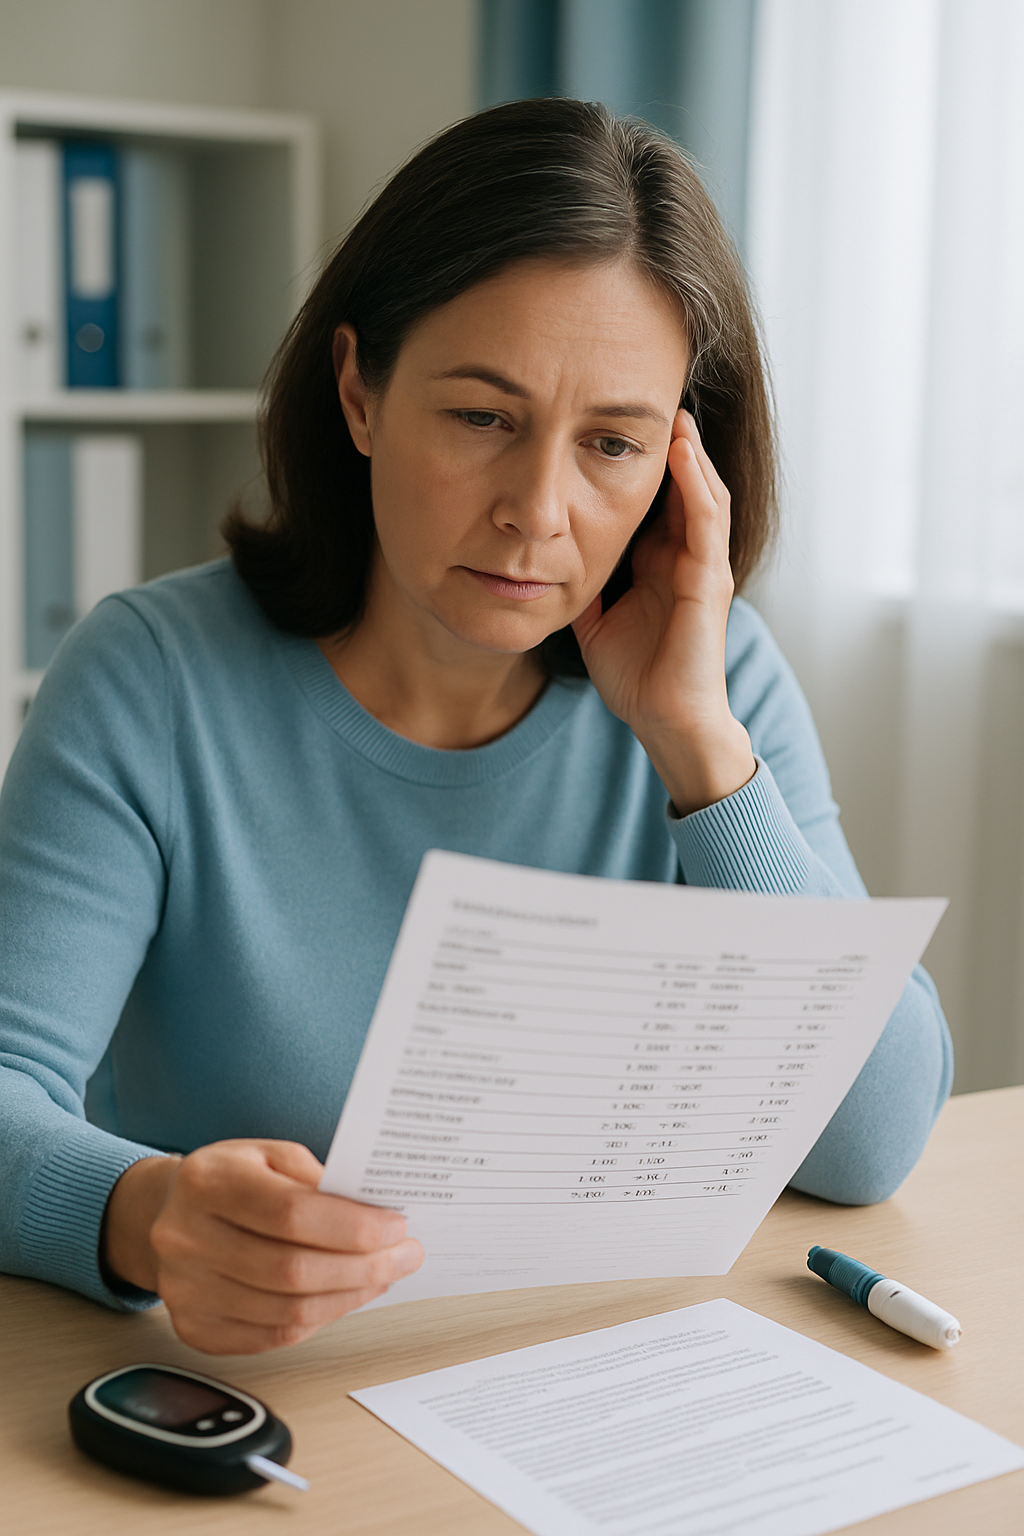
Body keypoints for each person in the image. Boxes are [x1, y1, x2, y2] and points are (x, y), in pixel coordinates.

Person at [0, 99, 952, 1356]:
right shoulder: (154, 679)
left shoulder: (712, 684)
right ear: (358, 390)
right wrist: (140, 1214)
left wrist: (700, 752)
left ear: (679, 471)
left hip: (573, 1377)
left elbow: (870, 1144)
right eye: (481, 418)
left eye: (611, 443)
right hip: (262, 1388)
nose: (537, 511)